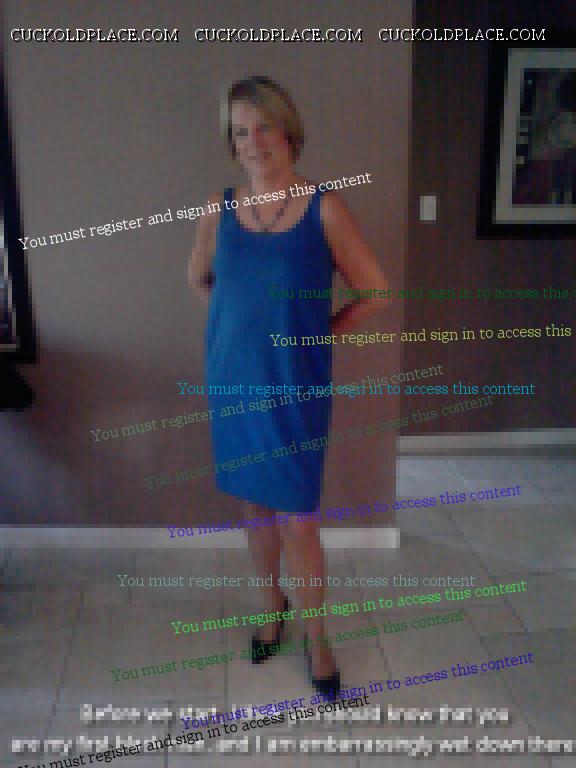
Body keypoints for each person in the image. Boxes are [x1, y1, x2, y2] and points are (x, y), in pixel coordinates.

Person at [189, 75, 390, 696]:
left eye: (264, 127)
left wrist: (314, 336)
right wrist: (237, 332)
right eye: (240, 131)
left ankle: (317, 636)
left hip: (294, 388)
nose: (253, 142)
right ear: (231, 141)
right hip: (234, 385)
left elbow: (376, 292)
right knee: (255, 507)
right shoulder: (218, 210)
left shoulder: (324, 209)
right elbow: (200, 280)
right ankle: (271, 607)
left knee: (299, 520)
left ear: (288, 131)